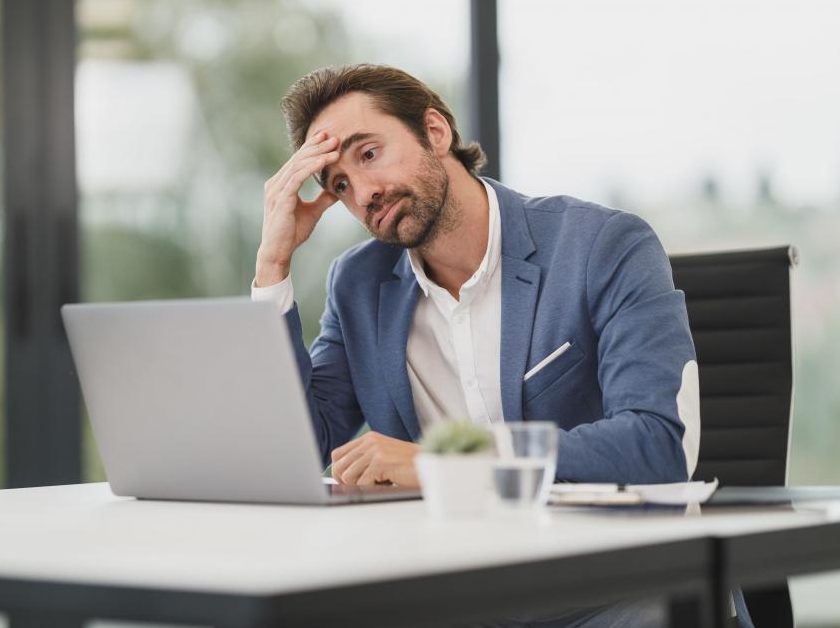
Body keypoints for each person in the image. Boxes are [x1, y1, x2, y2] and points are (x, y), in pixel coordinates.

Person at [252, 64, 700, 493]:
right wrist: (273, 267)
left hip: (601, 555)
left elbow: (658, 444)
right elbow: (290, 451)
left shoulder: (601, 246)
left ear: (435, 131)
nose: (365, 192)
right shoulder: (358, 286)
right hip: (446, 558)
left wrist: (449, 464)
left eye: (369, 154)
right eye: (341, 186)